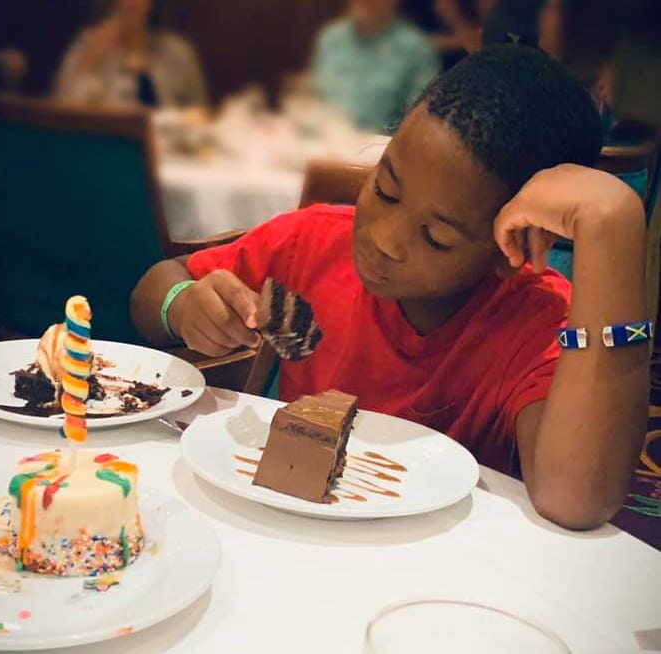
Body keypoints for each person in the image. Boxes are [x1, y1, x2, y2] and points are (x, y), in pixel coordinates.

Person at [130, 46, 648, 531]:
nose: (383, 239)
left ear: (511, 250)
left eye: (436, 236)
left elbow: (578, 498)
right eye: (385, 189)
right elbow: (155, 288)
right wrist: (181, 306)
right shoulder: (312, 240)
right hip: (288, 533)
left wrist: (614, 225)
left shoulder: (537, 324)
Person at [312, 0, 439, 133]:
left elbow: (420, 120)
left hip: (379, 147)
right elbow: (316, 98)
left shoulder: (416, 49)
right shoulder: (331, 38)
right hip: (323, 143)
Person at [54, 0, 207, 109]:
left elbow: (199, 116)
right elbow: (60, 112)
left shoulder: (177, 52)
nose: (131, 2)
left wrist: (141, 68)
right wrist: (90, 60)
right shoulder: (86, 45)